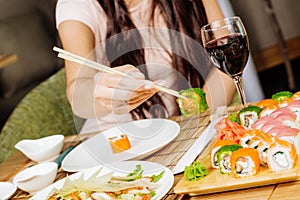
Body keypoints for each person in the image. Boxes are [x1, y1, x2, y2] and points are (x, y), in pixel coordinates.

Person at [55, 0, 236, 132]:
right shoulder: (77, 6)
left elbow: (225, 59)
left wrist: (196, 122)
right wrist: (100, 91)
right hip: (116, 141)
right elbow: (78, 95)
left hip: (179, 133)